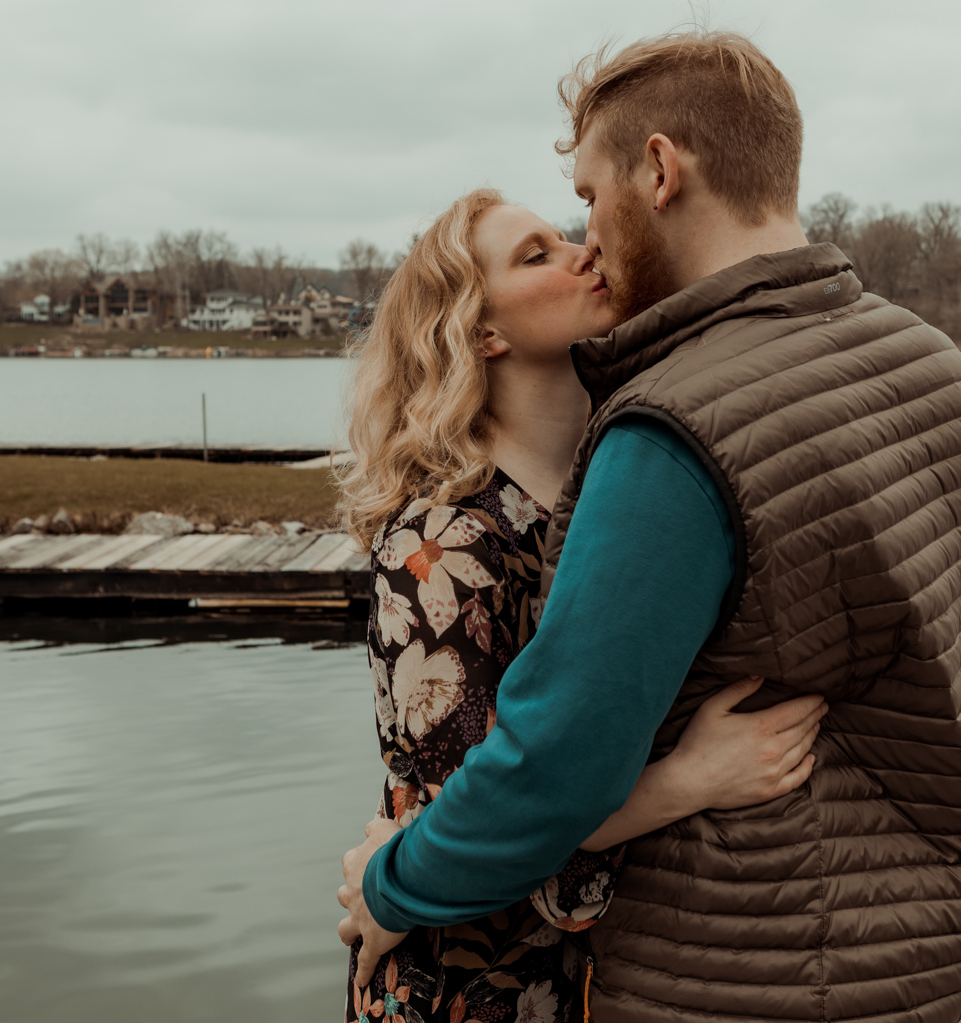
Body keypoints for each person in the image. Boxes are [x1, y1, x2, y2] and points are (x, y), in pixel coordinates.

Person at [341, 29, 961, 1022]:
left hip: (739, 963)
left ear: (659, 169)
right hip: (911, 950)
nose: (589, 239)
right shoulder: (930, 363)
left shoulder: (676, 430)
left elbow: (552, 766)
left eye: (588, 201)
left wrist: (386, 887)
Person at [335, 187, 828, 1023]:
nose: (582, 252)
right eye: (538, 255)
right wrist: (690, 779)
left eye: (566, 237)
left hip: (595, 980)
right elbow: (489, 828)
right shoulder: (438, 545)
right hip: (463, 985)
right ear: (482, 330)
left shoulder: (616, 485)